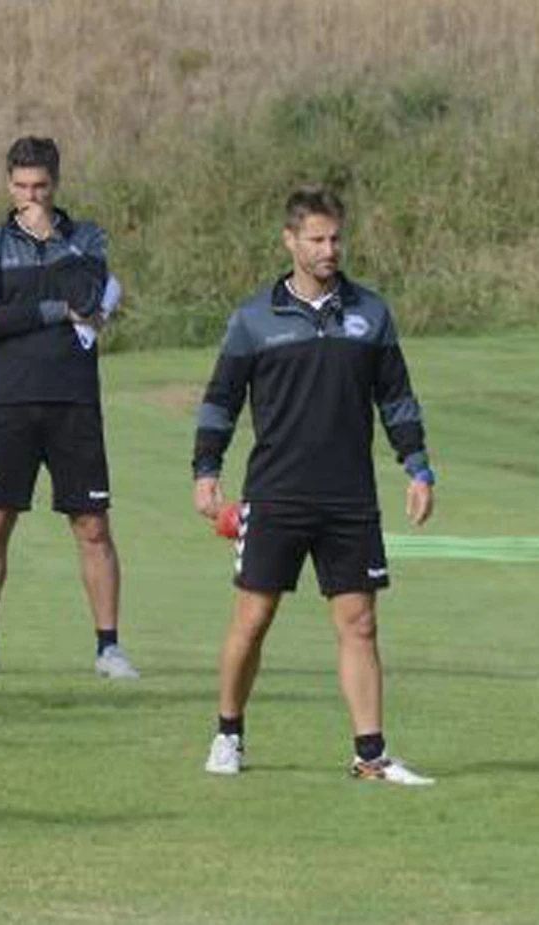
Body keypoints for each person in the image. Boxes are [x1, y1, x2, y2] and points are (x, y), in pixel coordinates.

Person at [193, 184, 436, 785]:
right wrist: (206, 471)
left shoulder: (370, 313)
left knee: (360, 623)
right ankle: (228, 734)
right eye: (317, 239)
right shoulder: (254, 319)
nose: (330, 250)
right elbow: (220, 401)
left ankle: (370, 756)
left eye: (336, 238)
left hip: (350, 496)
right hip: (276, 493)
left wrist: (417, 466)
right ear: (290, 241)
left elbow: (396, 398)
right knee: (253, 619)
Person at [0, 136, 138, 681]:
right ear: (8, 184)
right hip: (8, 398)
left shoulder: (86, 237)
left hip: (73, 399)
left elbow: (92, 300)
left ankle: (109, 649)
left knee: (92, 526)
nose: (30, 197)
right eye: (21, 186)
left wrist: (52, 240)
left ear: (55, 184)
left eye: (39, 186)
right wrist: (57, 310)